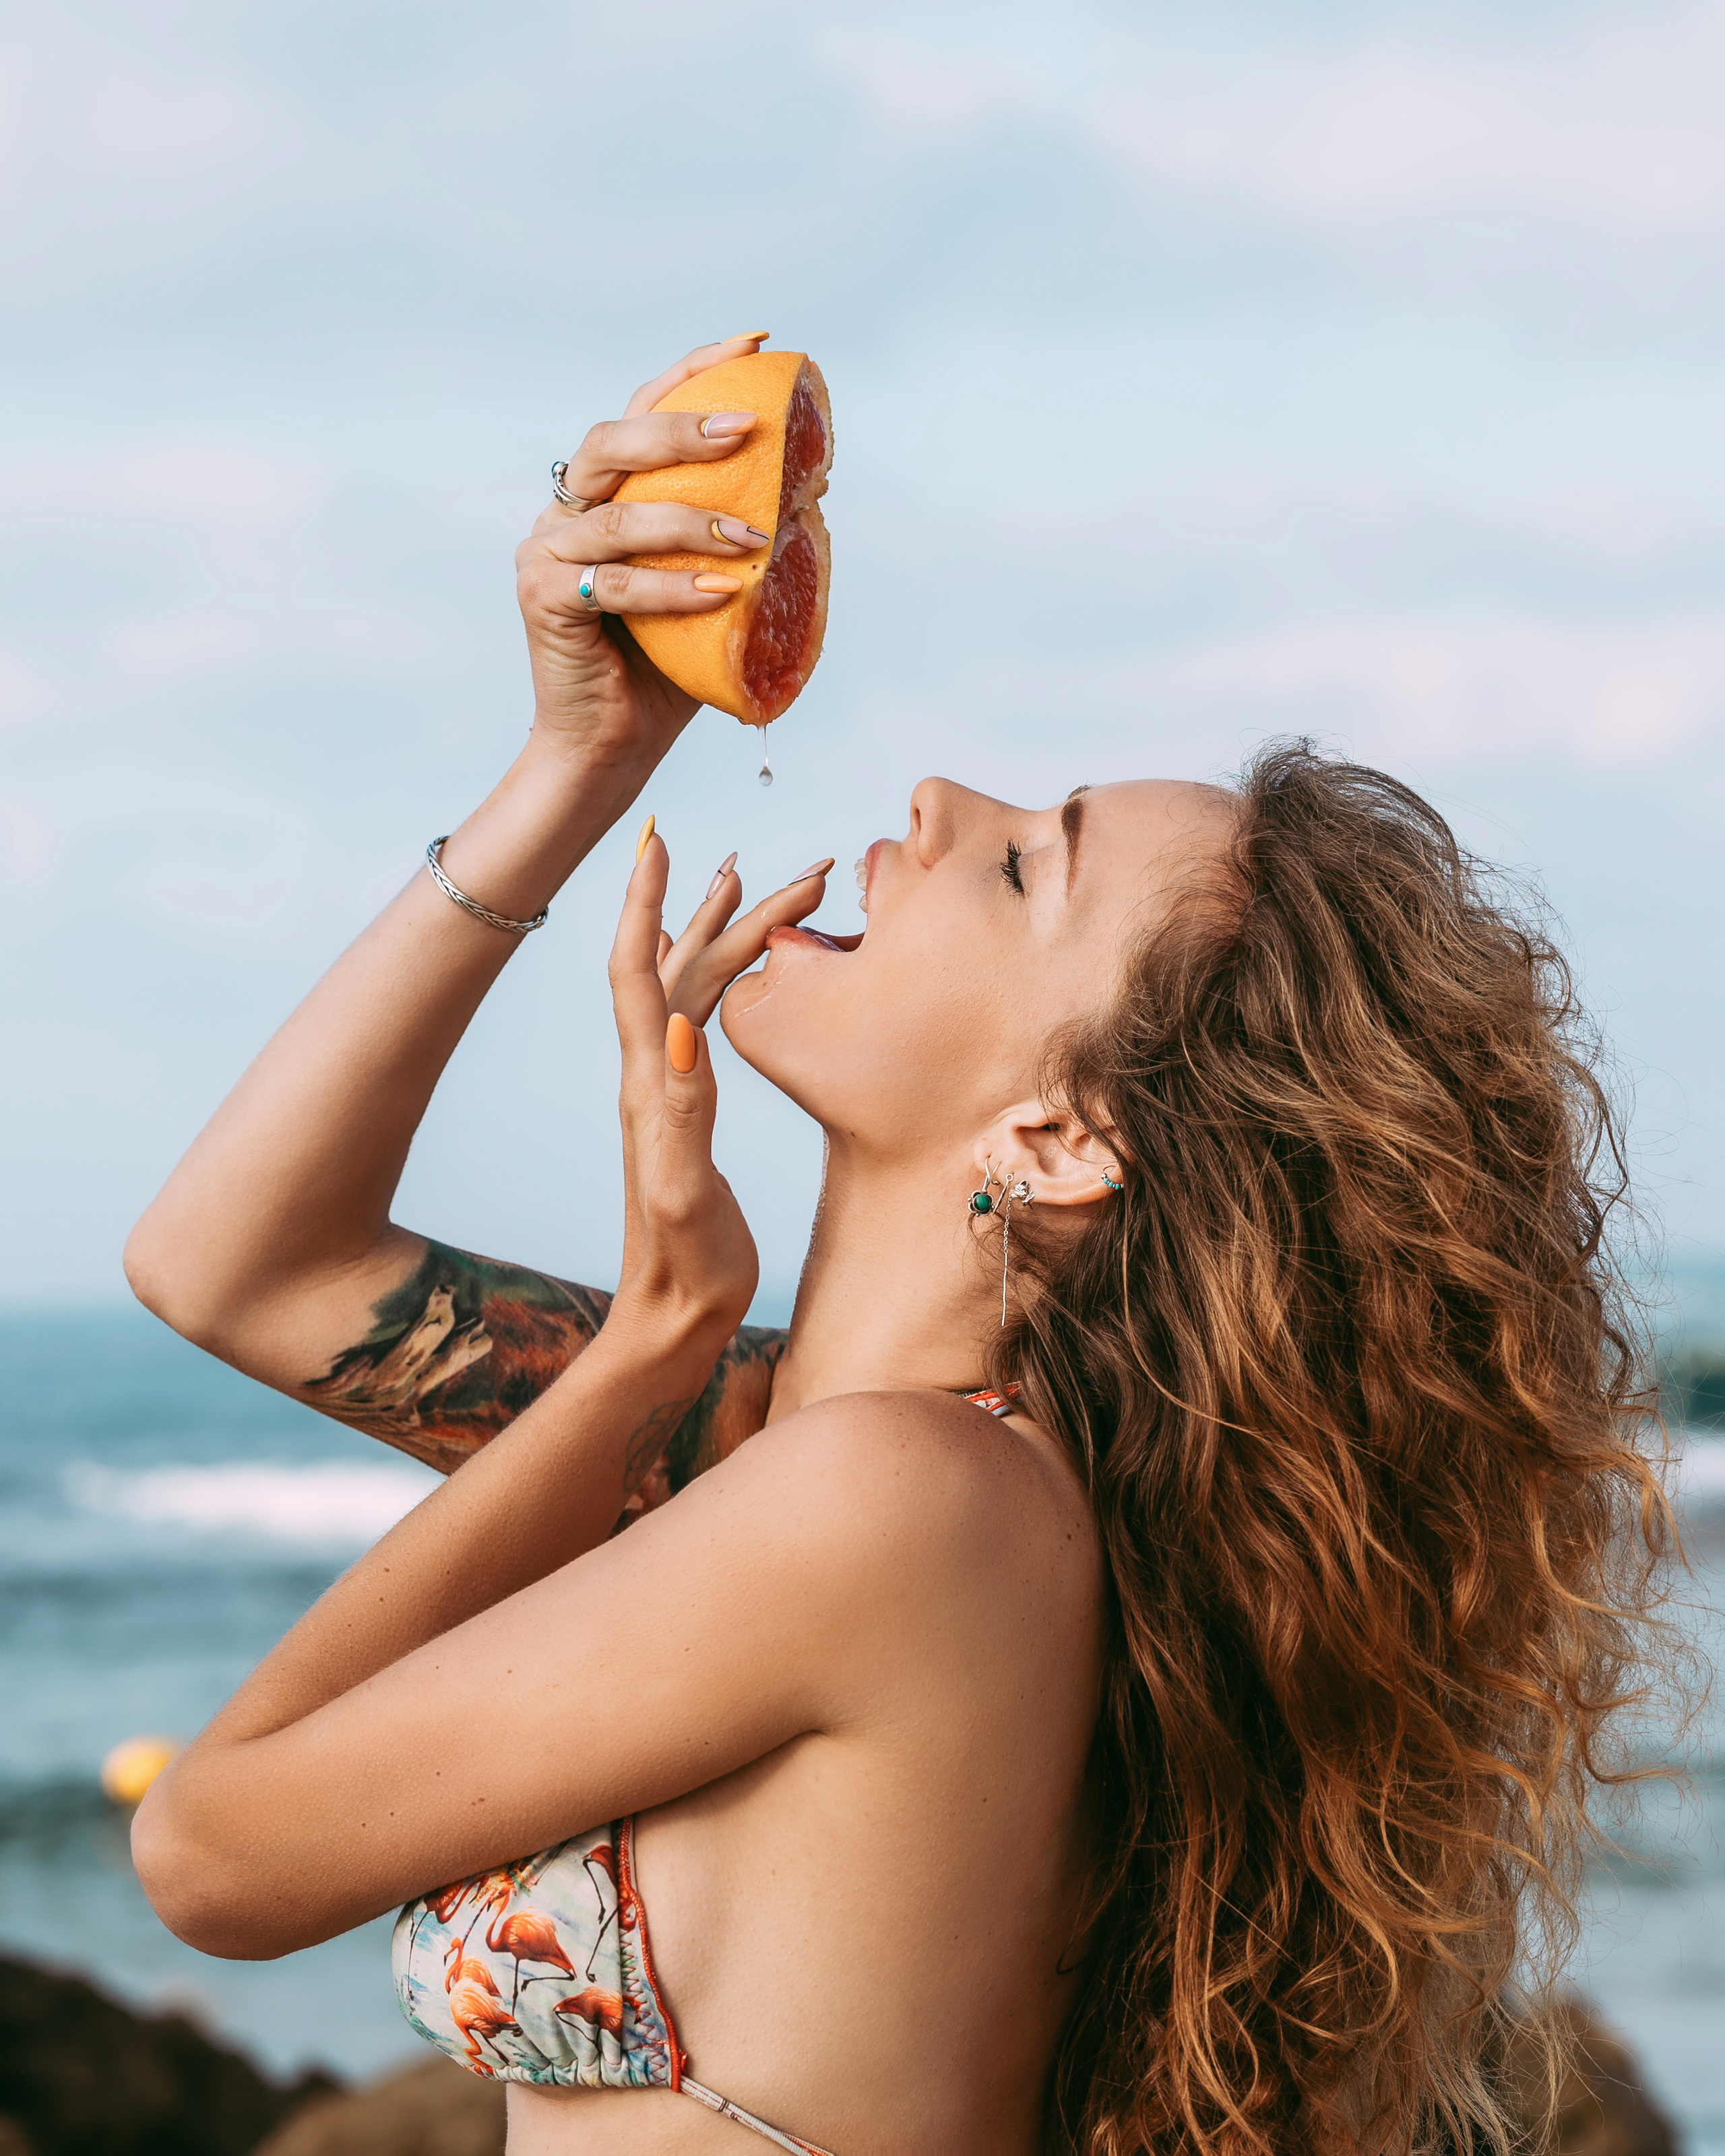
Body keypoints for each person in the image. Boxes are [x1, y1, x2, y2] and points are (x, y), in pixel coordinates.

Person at [125, 338, 1675, 2156]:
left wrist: (647, 1341)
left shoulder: (906, 1499)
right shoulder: (809, 1448)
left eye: (1026, 867)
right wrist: (576, 761)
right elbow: (231, 1266)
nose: (935, 801)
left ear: (1060, 1139)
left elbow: (210, 1858)